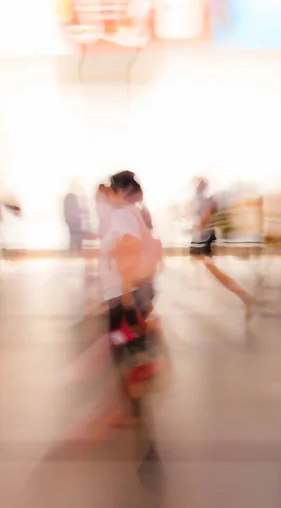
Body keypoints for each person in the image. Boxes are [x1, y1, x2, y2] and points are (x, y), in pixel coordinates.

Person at [100, 171, 163, 427]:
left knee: (124, 351)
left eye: (110, 191)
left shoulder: (122, 215)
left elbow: (129, 249)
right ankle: (136, 408)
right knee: (128, 349)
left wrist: (125, 295)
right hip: (126, 292)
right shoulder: (131, 213)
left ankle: (134, 411)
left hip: (122, 295)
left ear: (118, 191)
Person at [190, 178, 254, 319]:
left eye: (196, 184)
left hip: (204, 238)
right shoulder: (205, 199)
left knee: (211, 269)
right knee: (202, 265)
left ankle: (243, 295)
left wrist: (198, 226)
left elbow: (207, 214)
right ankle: (193, 286)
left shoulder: (203, 199)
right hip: (204, 237)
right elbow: (210, 212)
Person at [63, 188, 85, 255]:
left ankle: (74, 250)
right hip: (74, 221)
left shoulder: (68, 200)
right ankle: (76, 250)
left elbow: (66, 211)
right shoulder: (72, 199)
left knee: (73, 236)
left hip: (72, 221)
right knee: (76, 236)